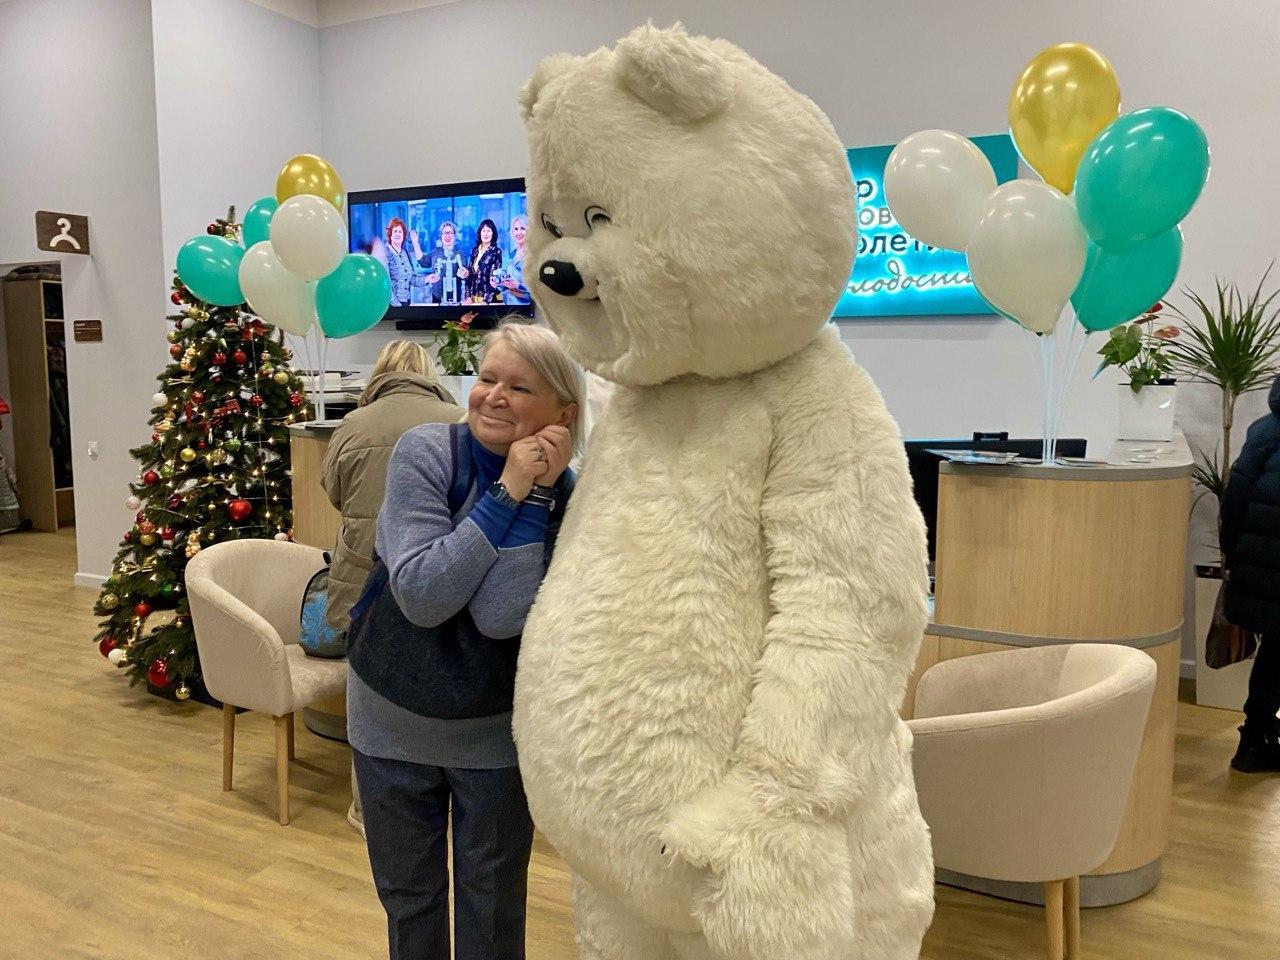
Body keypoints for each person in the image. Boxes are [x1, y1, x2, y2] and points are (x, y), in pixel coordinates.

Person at [347, 321, 582, 960]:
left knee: (493, 909)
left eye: (519, 386)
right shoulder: (426, 452)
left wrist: (533, 498)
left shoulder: (571, 496)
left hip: (494, 734)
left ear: (563, 412)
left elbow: (501, 618)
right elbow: (422, 596)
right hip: (391, 716)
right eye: (486, 379)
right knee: (411, 902)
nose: (493, 397)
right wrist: (508, 492)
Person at [321, 341, 463, 837]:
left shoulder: (353, 425)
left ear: (380, 371)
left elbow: (334, 493)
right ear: (428, 372)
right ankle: (439, 802)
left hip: (363, 574)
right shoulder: (458, 418)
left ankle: (368, 809)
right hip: (434, 570)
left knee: (366, 688)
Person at [1221, 373, 1280, 774]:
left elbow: (1235, 498)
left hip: (1258, 568)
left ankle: (1254, 736)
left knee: (1275, 652)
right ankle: (1256, 737)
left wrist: (1234, 556)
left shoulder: (1264, 430)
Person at [421, 221, 468, 305]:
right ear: (441, 236)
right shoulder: (435, 252)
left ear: (455, 235)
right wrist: (415, 243)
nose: (447, 235)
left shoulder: (460, 253)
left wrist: (464, 273)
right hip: (437, 295)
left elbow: (464, 273)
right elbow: (423, 262)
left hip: (455, 296)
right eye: (445, 233)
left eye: (450, 233)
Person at [466, 218, 503, 304]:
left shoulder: (496, 251)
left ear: (493, 233)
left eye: (489, 231)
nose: (486, 234)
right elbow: (470, 276)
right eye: (483, 231)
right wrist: (467, 297)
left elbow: (494, 280)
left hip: (491, 299)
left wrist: (486, 301)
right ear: (480, 233)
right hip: (474, 299)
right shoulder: (474, 251)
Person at [497, 215, 531, 306]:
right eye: (516, 229)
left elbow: (537, 292)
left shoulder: (533, 255)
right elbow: (506, 284)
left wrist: (518, 285)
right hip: (508, 306)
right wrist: (498, 283)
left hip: (525, 309)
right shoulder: (512, 254)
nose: (518, 232)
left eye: (522, 228)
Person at [383, 218, 416, 307]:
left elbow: (411, 279)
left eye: (400, 232)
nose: (398, 234)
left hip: (407, 302)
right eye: (395, 231)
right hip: (392, 306)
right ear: (390, 234)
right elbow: (385, 285)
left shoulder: (405, 253)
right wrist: (397, 306)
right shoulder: (385, 253)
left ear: (404, 235)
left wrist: (427, 279)